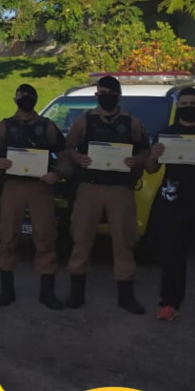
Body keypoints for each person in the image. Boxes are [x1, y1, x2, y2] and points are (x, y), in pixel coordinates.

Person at [64, 75, 149, 314]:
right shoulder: (84, 121)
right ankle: (76, 292)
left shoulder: (131, 122)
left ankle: (126, 295)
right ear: (96, 95)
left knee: (124, 241)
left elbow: (145, 150)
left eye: (110, 92)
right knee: (81, 238)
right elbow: (68, 148)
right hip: (89, 187)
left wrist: (136, 160)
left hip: (119, 189)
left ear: (118, 95)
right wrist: (77, 157)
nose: (106, 95)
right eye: (102, 91)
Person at [0, 84, 67, 309]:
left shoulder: (47, 126)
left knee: (45, 236)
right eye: (21, 96)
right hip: (13, 186)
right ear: (15, 99)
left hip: (40, 187)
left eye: (28, 96)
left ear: (34, 99)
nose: (25, 100)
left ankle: (47, 292)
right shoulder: (5, 127)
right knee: (7, 237)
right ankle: (7, 291)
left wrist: (58, 173)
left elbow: (65, 155)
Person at [146, 86, 195, 321]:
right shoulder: (166, 134)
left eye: (191, 104)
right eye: (183, 104)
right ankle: (169, 303)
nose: (188, 108)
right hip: (174, 202)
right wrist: (154, 155)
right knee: (173, 256)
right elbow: (151, 168)